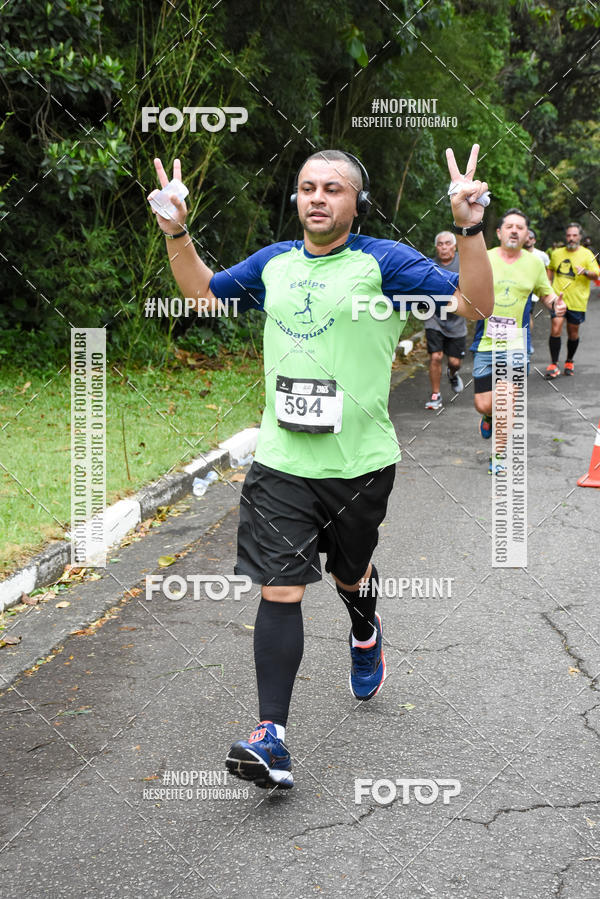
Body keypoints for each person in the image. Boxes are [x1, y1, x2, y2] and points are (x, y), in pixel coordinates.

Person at [148, 146, 494, 790]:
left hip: (359, 463)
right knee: (280, 586)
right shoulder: (274, 263)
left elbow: (471, 307)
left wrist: (469, 227)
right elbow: (200, 293)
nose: (316, 198)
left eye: (331, 189)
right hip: (281, 459)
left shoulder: (382, 262)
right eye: (307, 187)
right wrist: (176, 230)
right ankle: (271, 736)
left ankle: (366, 629)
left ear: (354, 201)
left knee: (348, 571)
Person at [470, 208, 565, 474]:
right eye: (509, 226)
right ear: (499, 232)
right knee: (484, 404)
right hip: (485, 341)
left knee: (506, 401)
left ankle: (498, 456)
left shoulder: (534, 264)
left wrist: (555, 302)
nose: (514, 230)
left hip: (515, 344)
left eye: (520, 227)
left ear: (526, 235)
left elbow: (545, 293)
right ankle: (488, 417)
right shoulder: (485, 258)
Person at [546, 222, 599, 378]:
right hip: (559, 299)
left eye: (574, 235)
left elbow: (596, 275)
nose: (571, 238)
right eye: (569, 235)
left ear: (580, 237)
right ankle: (553, 364)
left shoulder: (587, 254)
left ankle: (569, 360)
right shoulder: (557, 253)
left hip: (578, 300)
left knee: (573, 333)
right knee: (555, 328)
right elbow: (550, 268)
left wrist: (586, 272)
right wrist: (548, 285)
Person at [424, 231, 466, 410]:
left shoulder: (463, 263)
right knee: (435, 356)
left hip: (457, 320)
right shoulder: (429, 265)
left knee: (454, 362)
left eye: (447, 243)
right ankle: (435, 395)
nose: (444, 247)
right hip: (433, 316)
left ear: (454, 246)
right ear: (436, 247)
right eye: (440, 244)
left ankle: (452, 374)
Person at [523, 227, 550, 339]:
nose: (528, 240)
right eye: (526, 237)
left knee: (527, 316)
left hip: (533, 293)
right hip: (518, 290)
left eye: (531, 238)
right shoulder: (516, 254)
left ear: (534, 240)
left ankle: (527, 340)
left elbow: (549, 268)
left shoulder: (541, 255)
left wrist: (547, 285)